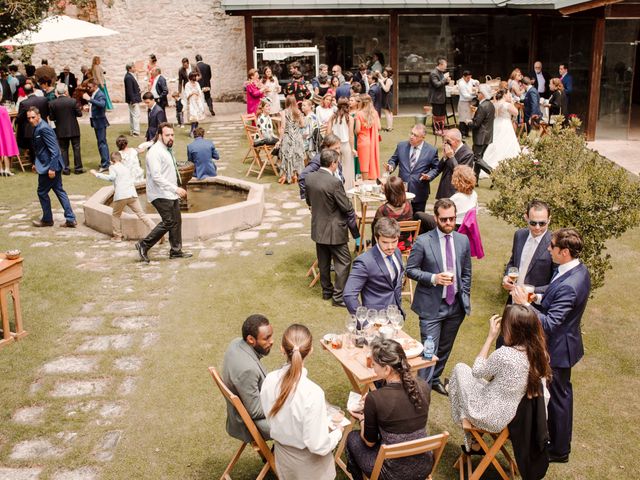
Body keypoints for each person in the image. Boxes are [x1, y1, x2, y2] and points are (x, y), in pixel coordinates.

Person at [512, 228, 591, 463]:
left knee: (559, 399)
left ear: (564, 252)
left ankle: (559, 450)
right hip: (563, 342)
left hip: (559, 349)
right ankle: (548, 436)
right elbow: (554, 293)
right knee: (558, 396)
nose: (548, 248)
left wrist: (524, 305)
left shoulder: (571, 283)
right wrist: (535, 296)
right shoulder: (575, 268)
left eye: (552, 246)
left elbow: (550, 323)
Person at [448, 306, 552, 452]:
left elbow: (477, 372)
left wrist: (490, 337)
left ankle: (471, 439)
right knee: (469, 380)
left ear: (513, 329)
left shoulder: (505, 355)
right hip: (510, 416)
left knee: (460, 369)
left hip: (487, 415)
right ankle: (472, 440)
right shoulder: (539, 355)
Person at [260, 324, 343, 479]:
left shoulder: (269, 380)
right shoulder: (313, 392)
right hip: (310, 467)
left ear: (282, 349)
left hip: (283, 459)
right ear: (310, 351)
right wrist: (338, 433)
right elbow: (319, 446)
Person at [406, 199, 472, 395]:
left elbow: (467, 272)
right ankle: (421, 389)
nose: (449, 223)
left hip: (455, 306)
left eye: (452, 218)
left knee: (444, 347)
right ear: (436, 218)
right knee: (429, 350)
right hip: (431, 306)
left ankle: (435, 379)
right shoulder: (423, 241)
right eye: (444, 219)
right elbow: (411, 270)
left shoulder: (462, 240)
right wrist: (434, 278)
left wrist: (464, 292)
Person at [347, 339, 432, 480]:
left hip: (392, 473)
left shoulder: (375, 399)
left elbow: (370, 442)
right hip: (423, 465)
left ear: (387, 369)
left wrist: (362, 419)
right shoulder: (423, 386)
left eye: (373, 364)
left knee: (353, 438)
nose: (372, 368)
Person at [305, 149, 359, 307]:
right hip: (335, 229)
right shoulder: (334, 183)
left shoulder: (309, 178)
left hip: (318, 227)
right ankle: (339, 297)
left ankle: (326, 292)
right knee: (344, 261)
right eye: (338, 162)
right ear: (333, 163)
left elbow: (309, 201)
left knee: (324, 260)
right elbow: (346, 207)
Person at [135, 123, 192, 263]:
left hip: (169, 193)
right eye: (167, 135)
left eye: (172, 135)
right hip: (159, 193)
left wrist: (174, 189)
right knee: (169, 221)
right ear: (160, 135)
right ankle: (143, 244)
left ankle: (176, 251)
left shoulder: (166, 149)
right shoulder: (155, 152)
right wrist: (176, 189)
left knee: (176, 221)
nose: (171, 137)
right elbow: (156, 177)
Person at [222, 314, 274, 442]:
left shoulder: (236, 343)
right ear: (251, 339)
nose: (271, 341)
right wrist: (281, 403)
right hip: (249, 425)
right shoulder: (247, 370)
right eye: (266, 338)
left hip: (247, 407)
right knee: (296, 423)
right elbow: (255, 411)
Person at [27, 107, 77, 228]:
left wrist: (52, 168)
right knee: (59, 190)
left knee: (42, 192)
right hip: (46, 164)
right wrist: (35, 163)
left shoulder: (44, 128)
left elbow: (55, 150)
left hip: (50, 167)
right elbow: (40, 149)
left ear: (38, 116)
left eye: (33, 117)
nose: (31, 120)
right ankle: (70, 218)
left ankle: (47, 219)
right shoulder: (38, 127)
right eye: (28, 118)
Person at [344, 217, 404, 315]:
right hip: (375, 319)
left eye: (394, 242)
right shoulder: (364, 262)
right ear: (376, 238)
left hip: (395, 315)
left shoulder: (397, 252)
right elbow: (349, 295)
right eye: (385, 242)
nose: (390, 247)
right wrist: (366, 322)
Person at [91, 151, 156, 241]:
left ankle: (117, 236)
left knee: (116, 215)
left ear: (111, 161)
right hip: (132, 194)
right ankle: (156, 231)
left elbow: (111, 177)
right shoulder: (126, 167)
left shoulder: (112, 167)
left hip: (121, 195)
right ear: (120, 159)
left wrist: (96, 174)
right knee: (141, 214)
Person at [502, 199, 554, 305]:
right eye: (533, 223)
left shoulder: (555, 244)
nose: (537, 227)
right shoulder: (519, 235)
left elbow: (556, 282)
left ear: (549, 220)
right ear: (526, 217)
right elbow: (513, 262)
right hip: (513, 299)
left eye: (542, 223)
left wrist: (532, 291)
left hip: (535, 305)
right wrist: (507, 276)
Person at [386, 123, 439, 214]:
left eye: (415, 135)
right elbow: (394, 160)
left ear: (423, 137)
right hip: (401, 191)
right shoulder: (401, 146)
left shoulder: (431, 151)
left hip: (419, 191)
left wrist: (429, 175)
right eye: (411, 133)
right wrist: (391, 166)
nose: (411, 137)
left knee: (418, 218)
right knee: (400, 218)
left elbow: (436, 168)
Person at [48, 83, 84, 175]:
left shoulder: (52, 103)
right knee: (76, 149)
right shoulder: (72, 101)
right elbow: (79, 114)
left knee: (63, 150)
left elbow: (52, 118)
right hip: (73, 128)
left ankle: (65, 169)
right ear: (66, 91)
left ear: (57, 92)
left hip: (61, 129)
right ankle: (78, 168)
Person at [482, 89, 520, 172]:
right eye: (508, 94)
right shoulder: (506, 105)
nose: (509, 96)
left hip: (496, 123)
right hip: (505, 124)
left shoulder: (495, 103)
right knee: (506, 142)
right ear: (504, 95)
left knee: (496, 141)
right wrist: (512, 103)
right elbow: (516, 113)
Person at [371, 176, 413, 249]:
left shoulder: (382, 210)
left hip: (389, 245)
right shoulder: (409, 206)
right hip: (406, 243)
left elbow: (376, 232)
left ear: (387, 192)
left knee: (375, 228)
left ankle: (375, 252)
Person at [298, 133, 342, 201]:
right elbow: (302, 176)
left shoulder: (334, 157)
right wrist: (308, 199)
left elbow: (339, 174)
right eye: (335, 148)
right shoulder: (319, 160)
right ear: (326, 148)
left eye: (339, 148)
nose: (338, 151)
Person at [434, 129, 475, 200]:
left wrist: (451, 157)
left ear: (457, 141)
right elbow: (439, 168)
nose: (445, 143)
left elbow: (461, 174)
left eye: (448, 141)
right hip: (443, 189)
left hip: (455, 191)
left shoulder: (468, 154)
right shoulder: (450, 150)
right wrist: (445, 157)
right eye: (445, 141)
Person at [467, 84, 495, 183]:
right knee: (479, 158)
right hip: (487, 136)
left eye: (478, 92)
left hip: (480, 137)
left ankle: (494, 174)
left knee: (476, 158)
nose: (477, 94)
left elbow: (476, 124)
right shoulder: (490, 104)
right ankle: (475, 180)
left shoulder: (482, 106)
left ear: (483, 94)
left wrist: (468, 122)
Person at [16, 83, 49, 161]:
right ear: (33, 89)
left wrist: (16, 120)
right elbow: (47, 112)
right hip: (43, 125)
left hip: (30, 129)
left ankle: (35, 163)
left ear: (24, 92)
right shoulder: (44, 99)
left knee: (33, 148)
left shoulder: (24, 103)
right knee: (43, 146)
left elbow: (19, 118)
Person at [327, 97, 355, 190]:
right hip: (346, 144)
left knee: (335, 168)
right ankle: (347, 189)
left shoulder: (333, 117)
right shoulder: (350, 118)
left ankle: (336, 188)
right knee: (347, 168)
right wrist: (353, 148)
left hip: (335, 145)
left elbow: (328, 132)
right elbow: (351, 135)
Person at [83, 79, 110, 172]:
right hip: (96, 121)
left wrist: (89, 99)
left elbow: (102, 105)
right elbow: (96, 105)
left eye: (90, 87)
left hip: (100, 121)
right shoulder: (95, 93)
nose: (88, 89)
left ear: (95, 86)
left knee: (102, 143)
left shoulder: (100, 94)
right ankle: (105, 161)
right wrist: (89, 108)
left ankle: (106, 163)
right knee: (100, 143)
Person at [278, 96, 305, 185]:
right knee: (296, 156)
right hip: (297, 137)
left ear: (286, 102)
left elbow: (282, 127)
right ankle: (295, 175)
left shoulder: (283, 112)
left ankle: (286, 175)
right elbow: (302, 124)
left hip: (288, 137)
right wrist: (296, 126)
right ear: (294, 102)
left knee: (287, 156)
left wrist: (280, 139)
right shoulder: (298, 112)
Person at [355, 94, 381, 181]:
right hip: (372, 141)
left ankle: (365, 184)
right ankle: (371, 183)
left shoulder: (359, 114)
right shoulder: (375, 113)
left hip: (362, 141)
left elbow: (358, 130)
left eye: (358, 101)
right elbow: (379, 127)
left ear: (362, 102)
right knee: (371, 162)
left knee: (364, 166)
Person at [457, 71, 478, 138]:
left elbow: (475, 81)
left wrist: (477, 83)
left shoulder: (470, 80)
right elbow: (465, 95)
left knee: (469, 117)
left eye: (470, 77)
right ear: (464, 77)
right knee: (463, 118)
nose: (469, 79)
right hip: (463, 101)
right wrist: (475, 96)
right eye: (467, 78)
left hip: (469, 101)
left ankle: (467, 132)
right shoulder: (461, 83)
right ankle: (462, 133)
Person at [184, 71, 206, 137]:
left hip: (197, 101)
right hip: (192, 102)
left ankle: (196, 131)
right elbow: (187, 93)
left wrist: (201, 91)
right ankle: (192, 130)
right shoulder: (187, 84)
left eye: (196, 76)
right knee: (193, 117)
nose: (196, 77)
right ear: (191, 77)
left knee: (197, 118)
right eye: (195, 76)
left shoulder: (197, 83)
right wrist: (193, 93)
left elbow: (199, 91)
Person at [0, 104, 19, 176]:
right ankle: (7, 169)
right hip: (4, 132)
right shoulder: (3, 109)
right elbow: (7, 124)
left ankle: (1, 169)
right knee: (5, 147)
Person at [124, 62, 142, 137]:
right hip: (133, 99)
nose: (135, 68)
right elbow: (129, 90)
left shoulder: (130, 76)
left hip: (134, 98)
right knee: (136, 115)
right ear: (130, 68)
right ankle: (136, 131)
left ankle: (133, 130)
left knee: (133, 115)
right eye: (134, 67)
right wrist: (133, 101)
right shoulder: (128, 77)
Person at [380, 67, 394, 132]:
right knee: (390, 112)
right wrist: (379, 75)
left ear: (389, 73)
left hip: (387, 97)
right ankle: (390, 126)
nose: (384, 72)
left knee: (387, 112)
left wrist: (381, 83)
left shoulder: (389, 80)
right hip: (389, 97)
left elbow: (386, 89)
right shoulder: (388, 79)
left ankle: (389, 127)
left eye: (385, 71)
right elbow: (382, 79)